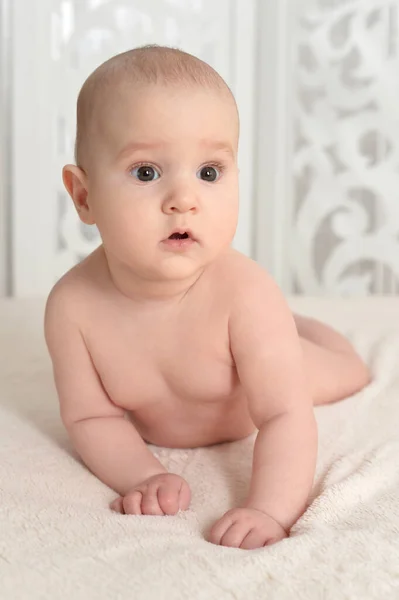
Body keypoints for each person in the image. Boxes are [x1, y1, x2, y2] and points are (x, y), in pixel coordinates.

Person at [44, 45, 371, 550]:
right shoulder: (73, 308)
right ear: (84, 196)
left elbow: (285, 415)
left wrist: (269, 510)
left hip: (264, 382)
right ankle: (286, 328)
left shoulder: (244, 292)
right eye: (146, 172)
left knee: (348, 372)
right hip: (243, 353)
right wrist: (143, 475)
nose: (184, 199)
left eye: (210, 172)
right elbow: (92, 417)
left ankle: (293, 327)